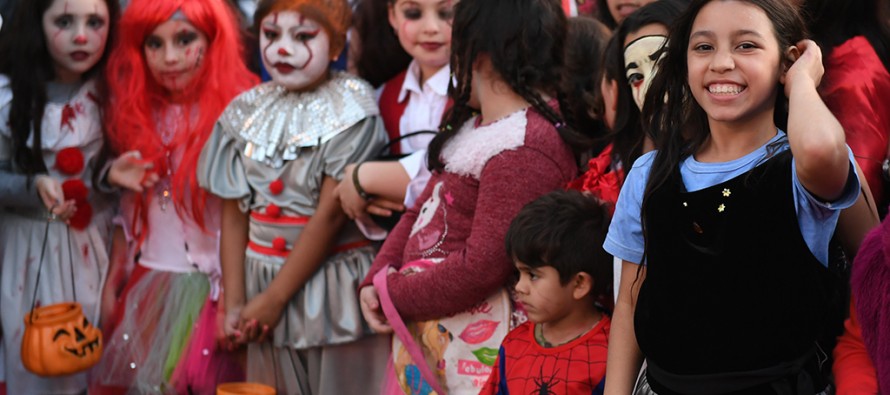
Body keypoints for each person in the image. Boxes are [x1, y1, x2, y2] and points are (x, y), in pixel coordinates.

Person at [603, 0, 860, 393]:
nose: (721, 62)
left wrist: (805, 80)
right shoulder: (649, 175)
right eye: (703, 47)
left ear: (786, 63)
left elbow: (823, 150)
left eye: (746, 46)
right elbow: (629, 306)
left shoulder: (799, 167)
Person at [358, 0, 592, 393]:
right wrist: (377, 277)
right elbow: (421, 208)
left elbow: (483, 265)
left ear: (477, 52)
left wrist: (392, 293)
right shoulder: (477, 123)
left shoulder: (522, 147)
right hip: (438, 331)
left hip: (477, 353)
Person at [197, 0, 390, 393]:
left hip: (330, 289)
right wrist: (235, 304)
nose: (283, 48)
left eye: (303, 36)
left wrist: (273, 299)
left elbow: (331, 215)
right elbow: (235, 212)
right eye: (271, 34)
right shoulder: (247, 110)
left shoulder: (352, 107)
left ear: (336, 45)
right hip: (259, 286)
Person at [90, 0, 258, 393]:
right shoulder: (135, 112)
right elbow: (128, 215)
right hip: (148, 284)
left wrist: (230, 301)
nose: (170, 57)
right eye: (154, 43)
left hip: (215, 290)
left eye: (185, 40)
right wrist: (115, 276)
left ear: (213, 41)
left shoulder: (236, 117)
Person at [0, 0, 122, 392]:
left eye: (94, 21)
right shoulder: (6, 96)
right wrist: (31, 185)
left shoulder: (115, 92)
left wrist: (109, 177)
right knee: (35, 360)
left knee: (90, 357)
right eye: (65, 21)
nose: (81, 36)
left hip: (95, 250)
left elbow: (105, 176)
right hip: (27, 250)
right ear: (38, 23)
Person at [336, 0, 454, 235]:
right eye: (413, 12)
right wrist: (370, 199)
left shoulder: (483, 94)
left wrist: (367, 178)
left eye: (447, 13)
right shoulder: (381, 97)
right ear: (392, 15)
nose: (431, 27)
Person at [479, 189, 612, 395]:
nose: (519, 287)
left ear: (579, 284)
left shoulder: (614, 353)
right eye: (518, 273)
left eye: (532, 275)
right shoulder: (514, 344)